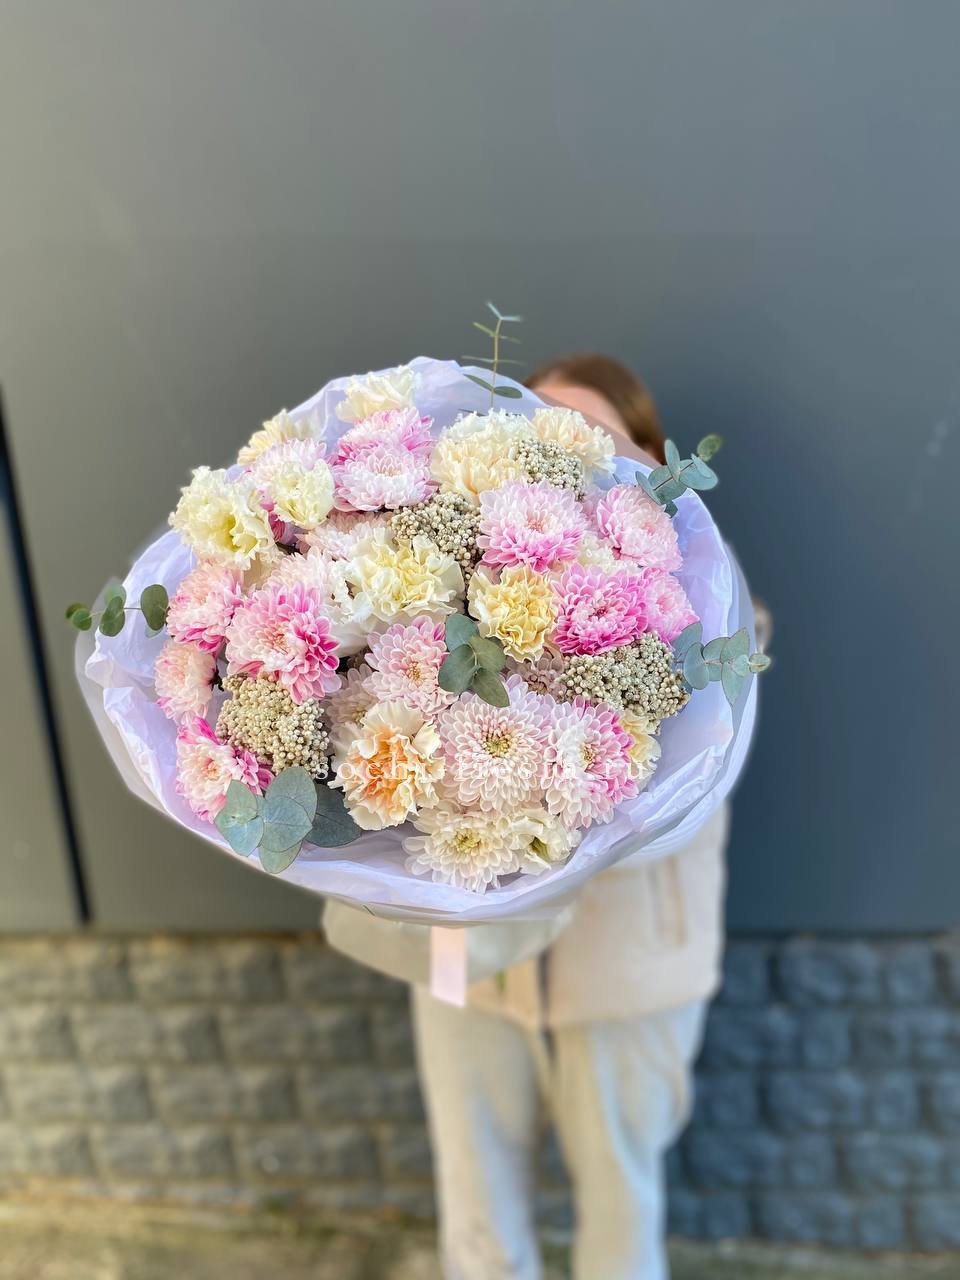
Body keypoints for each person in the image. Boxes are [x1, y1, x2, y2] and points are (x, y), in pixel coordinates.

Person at [408, 352, 731, 1280]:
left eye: (596, 438)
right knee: (477, 1221)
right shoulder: (454, 600)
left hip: (627, 972)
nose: (568, 456)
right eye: (544, 431)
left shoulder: (708, 622)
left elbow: (683, 803)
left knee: (621, 1223)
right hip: (464, 964)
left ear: (651, 462)